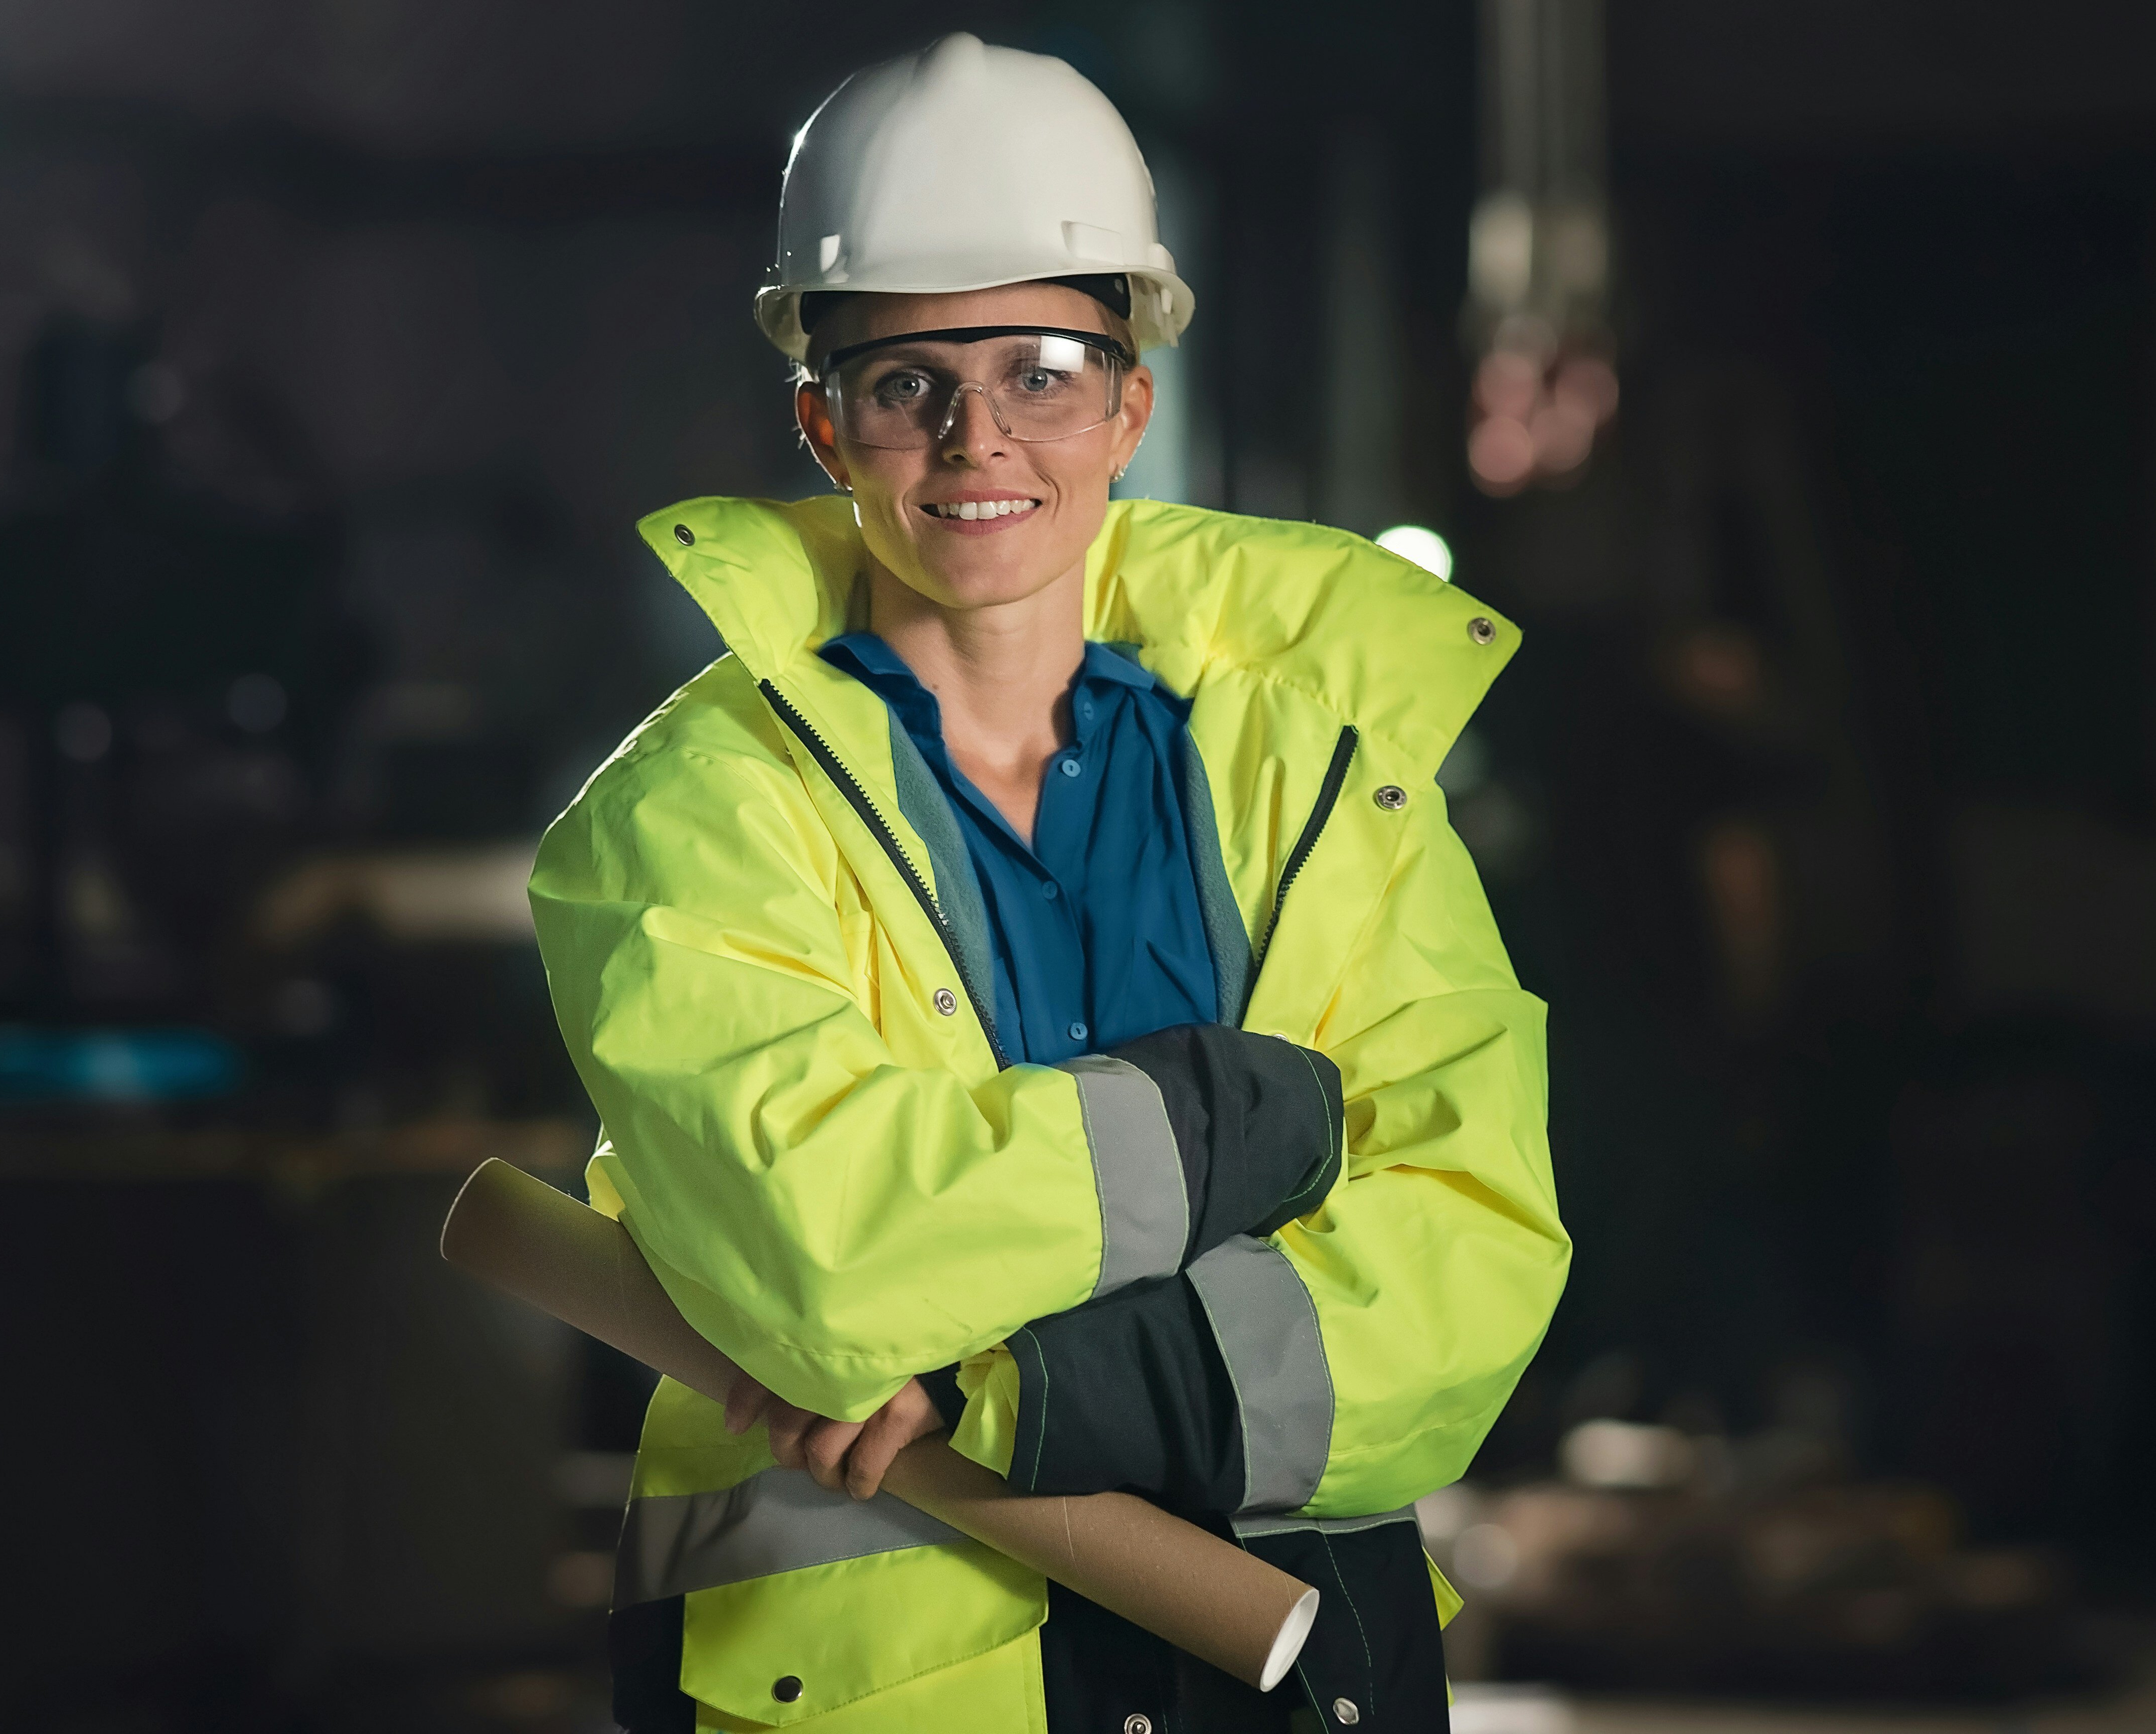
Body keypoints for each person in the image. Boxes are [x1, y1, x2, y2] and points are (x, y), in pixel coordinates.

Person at [529, 33, 1567, 1734]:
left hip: (1297, 1668)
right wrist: (1235, 1120)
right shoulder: (689, 817)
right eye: (905, 382)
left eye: (1044, 369)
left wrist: (1013, 1384)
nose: (975, 436)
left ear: (1131, 406)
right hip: (882, 1693)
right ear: (823, 423)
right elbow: (829, 1261)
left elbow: (1472, 1259)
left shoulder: (1322, 777)